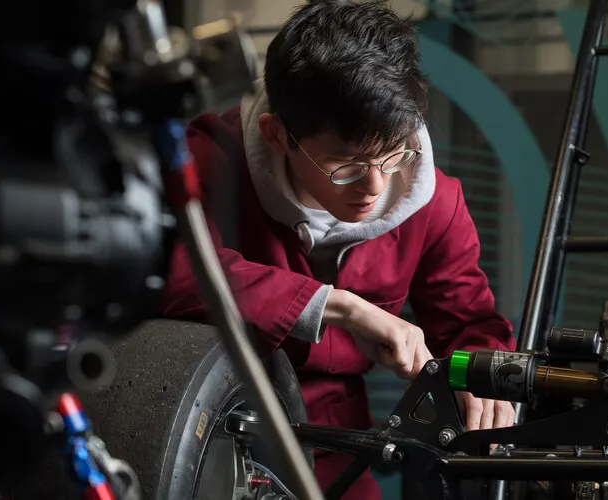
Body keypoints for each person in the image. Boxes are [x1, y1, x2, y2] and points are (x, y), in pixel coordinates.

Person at [161, 1, 516, 498]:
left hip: (331, 440)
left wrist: (478, 377)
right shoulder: (211, 158)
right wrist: (337, 307)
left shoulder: (435, 203)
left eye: (394, 154)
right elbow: (166, 268)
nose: (375, 186)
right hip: (197, 424)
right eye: (347, 165)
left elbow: (468, 324)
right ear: (277, 135)